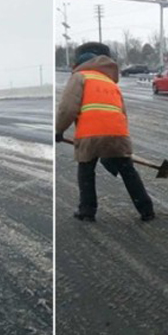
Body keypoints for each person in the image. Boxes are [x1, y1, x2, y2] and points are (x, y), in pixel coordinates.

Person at [55, 42, 155, 222]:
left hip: (90, 134)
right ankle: (146, 209)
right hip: (118, 134)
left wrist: (59, 130)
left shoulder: (80, 77)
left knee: (86, 170)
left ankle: (87, 210)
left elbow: (67, 108)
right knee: (128, 171)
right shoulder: (110, 82)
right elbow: (122, 113)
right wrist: (121, 137)